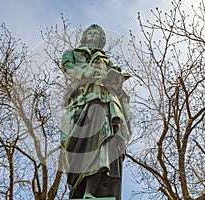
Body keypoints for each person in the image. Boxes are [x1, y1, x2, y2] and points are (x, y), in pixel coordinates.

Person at [60, 24, 131, 200]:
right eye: (90, 32)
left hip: (105, 99)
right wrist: (89, 73)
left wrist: (116, 81)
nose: (93, 35)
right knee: (81, 144)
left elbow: (115, 77)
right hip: (81, 100)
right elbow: (69, 68)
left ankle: (90, 192)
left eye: (97, 33)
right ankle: (81, 188)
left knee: (104, 143)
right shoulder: (73, 54)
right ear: (84, 36)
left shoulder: (106, 60)